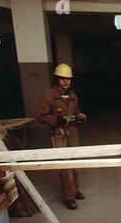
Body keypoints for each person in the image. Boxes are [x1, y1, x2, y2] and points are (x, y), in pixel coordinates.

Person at [36, 64, 87, 210]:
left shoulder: (72, 96)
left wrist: (79, 116)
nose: (66, 81)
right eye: (62, 78)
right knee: (64, 165)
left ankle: (75, 189)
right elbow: (40, 116)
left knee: (75, 163)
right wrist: (56, 120)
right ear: (57, 79)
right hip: (58, 133)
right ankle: (69, 196)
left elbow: (76, 110)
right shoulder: (49, 96)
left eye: (68, 79)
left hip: (72, 131)